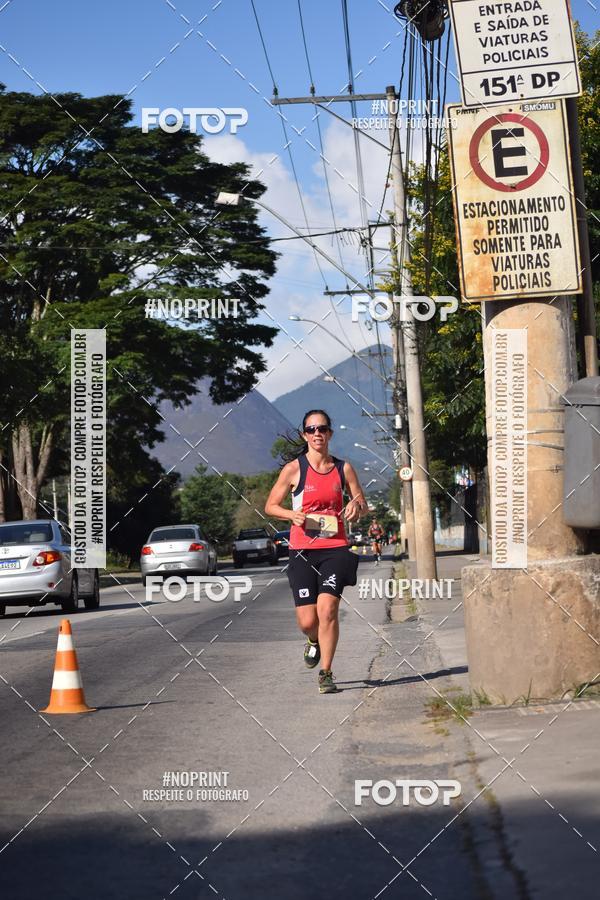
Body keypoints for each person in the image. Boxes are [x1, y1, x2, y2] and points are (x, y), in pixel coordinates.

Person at [265, 410, 367, 694]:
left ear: (330, 433)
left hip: (335, 548)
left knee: (328, 610)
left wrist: (355, 507)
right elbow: (270, 506)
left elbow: (361, 501)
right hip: (301, 551)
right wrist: (290, 515)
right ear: (304, 435)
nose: (317, 433)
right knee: (308, 621)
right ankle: (313, 641)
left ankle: (326, 673)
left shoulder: (343, 468)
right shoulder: (293, 469)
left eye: (322, 428)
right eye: (311, 429)